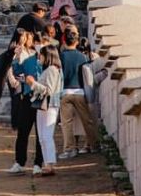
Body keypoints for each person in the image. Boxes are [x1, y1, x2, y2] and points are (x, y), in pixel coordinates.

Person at [6, 30, 44, 174]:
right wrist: (16, 56)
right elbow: (16, 70)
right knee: (23, 131)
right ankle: (19, 162)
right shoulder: (29, 59)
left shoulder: (48, 59)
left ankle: (38, 163)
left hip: (41, 98)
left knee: (40, 132)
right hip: (28, 97)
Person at [58, 24, 98, 157]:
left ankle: (70, 149)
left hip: (65, 92)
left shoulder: (61, 56)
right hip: (80, 92)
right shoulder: (82, 57)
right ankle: (92, 145)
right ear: (76, 41)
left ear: (64, 40)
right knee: (87, 121)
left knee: (66, 123)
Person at [27, 43, 63, 175]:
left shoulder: (52, 70)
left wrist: (33, 83)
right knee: (42, 136)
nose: (39, 57)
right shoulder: (48, 70)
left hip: (50, 105)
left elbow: (49, 90)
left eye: (41, 55)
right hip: (43, 106)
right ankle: (47, 163)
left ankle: (50, 163)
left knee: (46, 135)